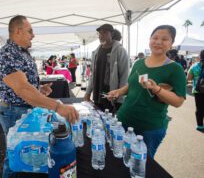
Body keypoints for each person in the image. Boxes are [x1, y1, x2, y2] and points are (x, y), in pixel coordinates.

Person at [0, 15, 79, 178]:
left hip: (23, 108)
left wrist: (39, 90)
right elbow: (22, 89)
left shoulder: (22, 53)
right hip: (14, 111)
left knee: (23, 156)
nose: (34, 35)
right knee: (14, 158)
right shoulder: (7, 54)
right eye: (30, 31)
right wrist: (58, 107)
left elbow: (26, 85)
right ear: (18, 31)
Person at [107, 25, 186, 158]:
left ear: (171, 44)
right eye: (155, 37)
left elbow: (178, 101)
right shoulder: (139, 63)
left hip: (149, 128)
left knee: (142, 165)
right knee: (119, 158)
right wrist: (119, 92)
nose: (158, 42)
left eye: (165, 39)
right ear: (150, 40)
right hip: (124, 119)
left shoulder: (175, 69)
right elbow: (131, 85)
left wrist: (157, 89)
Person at [84, 23, 129, 112]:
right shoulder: (96, 52)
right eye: (100, 33)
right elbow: (93, 74)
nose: (101, 36)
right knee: (98, 119)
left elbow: (124, 75)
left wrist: (119, 99)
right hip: (97, 93)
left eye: (104, 33)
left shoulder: (120, 51)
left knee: (110, 120)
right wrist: (88, 92)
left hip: (111, 95)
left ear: (111, 34)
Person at [187, 50, 204, 132]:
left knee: (199, 108)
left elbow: (189, 78)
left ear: (199, 57)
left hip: (198, 90)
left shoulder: (194, 66)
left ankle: (200, 125)